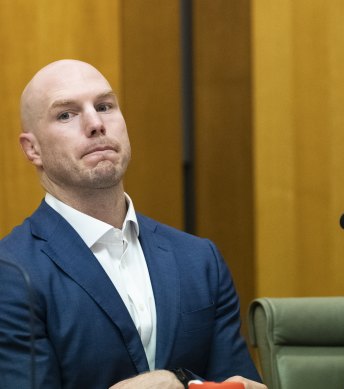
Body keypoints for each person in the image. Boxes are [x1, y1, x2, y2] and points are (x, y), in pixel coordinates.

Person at [0, 59, 266, 389]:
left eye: (105, 106)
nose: (96, 123)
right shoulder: (11, 273)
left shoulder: (199, 260)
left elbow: (233, 380)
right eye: (66, 114)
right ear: (33, 148)